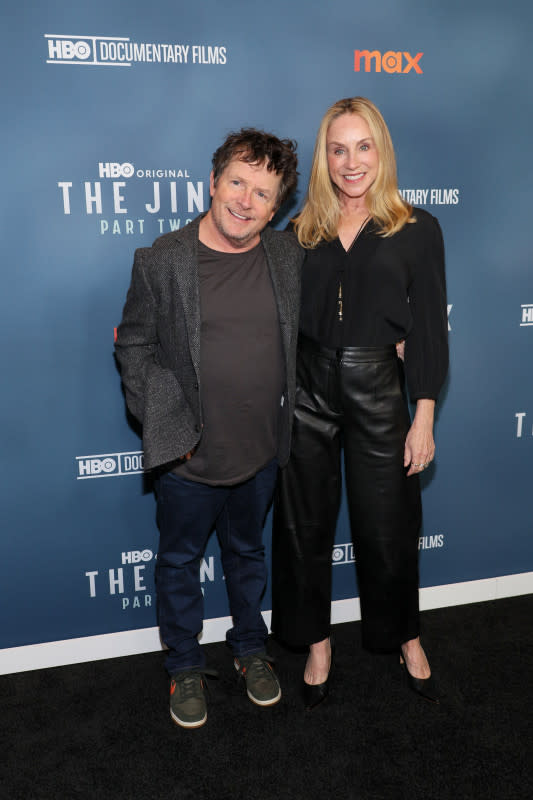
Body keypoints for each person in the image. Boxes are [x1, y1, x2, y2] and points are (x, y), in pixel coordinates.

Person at [115, 128, 303, 728]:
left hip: (261, 453)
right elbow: (135, 345)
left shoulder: (287, 257)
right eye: (238, 183)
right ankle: (185, 665)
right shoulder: (162, 259)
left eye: (263, 193)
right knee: (178, 562)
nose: (246, 201)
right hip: (189, 459)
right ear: (214, 181)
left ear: (276, 208)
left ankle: (250, 648)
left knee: (248, 555)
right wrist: (165, 420)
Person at [271, 97, 448, 708]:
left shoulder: (417, 229)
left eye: (363, 147)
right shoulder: (299, 232)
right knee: (303, 527)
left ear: (382, 151)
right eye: (338, 149)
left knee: (391, 526)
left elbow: (427, 329)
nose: (351, 162)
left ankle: (406, 636)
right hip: (308, 389)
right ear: (325, 158)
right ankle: (316, 642)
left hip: (378, 389)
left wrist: (422, 413)